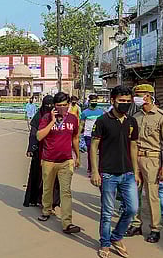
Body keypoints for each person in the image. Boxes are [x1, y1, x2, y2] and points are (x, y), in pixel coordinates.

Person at [90, 85, 140, 258]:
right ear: (113, 101)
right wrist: (95, 172)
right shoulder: (102, 121)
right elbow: (94, 145)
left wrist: (136, 171)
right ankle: (104, 243)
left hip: (128, 174)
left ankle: (116, 237)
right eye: (121, 101)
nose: (125, 104)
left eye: (128, 101)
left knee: (132, 209)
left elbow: (133, 147)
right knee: (107, 212)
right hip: (108, 174)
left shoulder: (132, 122)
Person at [122, 84, 163, 243]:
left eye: (139, 94)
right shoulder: (135, 117)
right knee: (133, 194)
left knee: (152, 196)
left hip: (153, 159)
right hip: (135, 159)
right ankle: (136, 224)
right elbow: (131, 141)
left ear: (149, 96)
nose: (136, 98)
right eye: (135, 94)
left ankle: (155, 228)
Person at [34, 92, 82, 234]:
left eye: (65, 105)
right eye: (59, 105)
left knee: (65, 191)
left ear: (69, 105)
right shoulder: (46, 117)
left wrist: (77, 157)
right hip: (49, 160)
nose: (62, 108)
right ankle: (46, 210)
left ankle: (67, 223)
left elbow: (75, 138)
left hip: (66, 160)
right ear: (54, 106)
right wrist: (52, 122)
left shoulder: (73, 119)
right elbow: (39, 136)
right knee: (47, 188)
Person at [24, 95, 60, 208]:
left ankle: (52, 202)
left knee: (53, 177)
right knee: (38, 175)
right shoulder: (38, 116)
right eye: (46, 105)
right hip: (39, 151)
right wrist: (30, 148)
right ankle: (37, 199)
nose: (49, 107)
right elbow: (33, 133)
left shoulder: (58, 116)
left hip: (54, 151)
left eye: (51, 105)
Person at [79, 95, 105, 172]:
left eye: (95, 101)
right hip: (88, 135)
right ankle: (91, 169)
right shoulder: (85, 113)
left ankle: (100, 169)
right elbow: (81, 124)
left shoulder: (101, 112)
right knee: (91, 152)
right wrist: (77, 135)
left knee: (102, 153)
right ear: (89, 102)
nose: (94, 103)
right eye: (92, 101)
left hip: (100, 135)